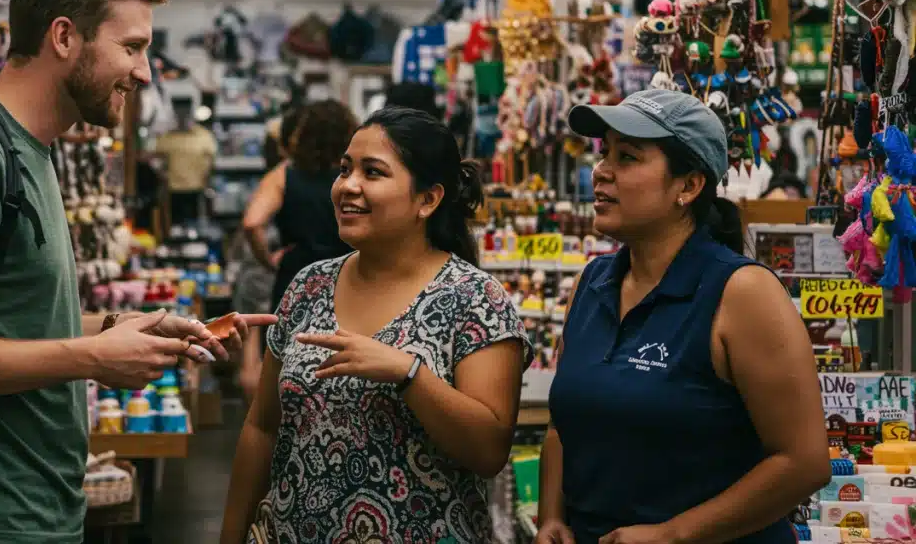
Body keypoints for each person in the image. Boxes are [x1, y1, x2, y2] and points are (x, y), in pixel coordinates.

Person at [0, 0, 274, 544]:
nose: (144, 72)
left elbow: (8, 319)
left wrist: (121, 325)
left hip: (36, 513)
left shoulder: (30, 152)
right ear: (64, 36)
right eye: (132, 47)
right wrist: (92, 358)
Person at [222, 106, 529, 544]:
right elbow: (262, 427)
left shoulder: (475, 300)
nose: (348, 186)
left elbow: (489, 450)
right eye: (345, 169)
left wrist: (408, 374)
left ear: (428, 199)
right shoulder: (309, 286)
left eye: (373, 172)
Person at [537, 90, 830, 544]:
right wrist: (551, 517)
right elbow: (565, 423)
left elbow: (804, 462)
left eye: (628, 157)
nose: (602, 171)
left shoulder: (741, 292)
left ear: (689, 186)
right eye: (604, 153)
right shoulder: (592, 283)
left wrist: (675, 534)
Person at [237, 99, 357, 398]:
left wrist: (268, 260)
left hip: (297, 274)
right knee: (346, 358)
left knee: (286, 362)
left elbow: (252, 222)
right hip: (352, 273)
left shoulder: (285, 174)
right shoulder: (354, 177)